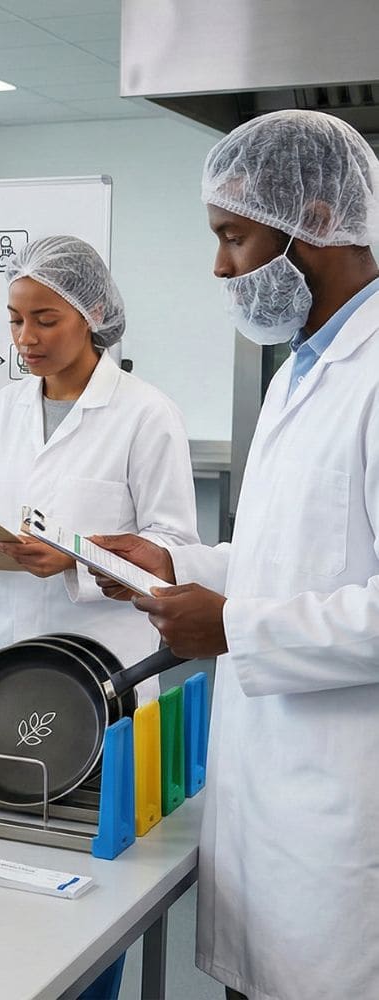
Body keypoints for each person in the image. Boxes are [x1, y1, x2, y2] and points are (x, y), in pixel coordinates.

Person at [91, 110, 379, 1000]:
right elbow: (298, 555)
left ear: (319, 219)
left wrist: (236, 627)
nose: (221, 266)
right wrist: (185, 570)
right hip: (276, 793)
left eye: (234, 235)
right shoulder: (305, 368)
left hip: (341, 805)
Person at [0, 236, 198, 692]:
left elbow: (173, 546)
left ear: (94, 314)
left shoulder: (146, 413)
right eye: (15, 321)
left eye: (45, 320)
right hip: (2, 656)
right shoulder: (0, 410)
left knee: (103, 761)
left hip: (102, 662)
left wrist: (75, 561)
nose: (25, 338)